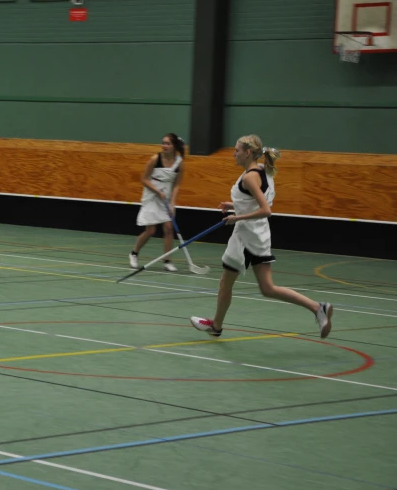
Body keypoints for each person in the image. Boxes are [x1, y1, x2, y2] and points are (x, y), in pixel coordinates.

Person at [190, 134, 332, 338]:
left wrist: (237, 218)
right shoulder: (263, 171)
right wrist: (234, 206)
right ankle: (318, 308)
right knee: (267, 288)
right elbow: (258, 201)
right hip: (258, 235)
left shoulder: (249, 177)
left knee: (227, 282)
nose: (233, 154)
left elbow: (266, 209)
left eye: (237, 150)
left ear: (247, 153)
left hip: (246, 238)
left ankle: (217, 326)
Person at [129, 133, 185, 272]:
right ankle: (134, 253)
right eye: (163, 143)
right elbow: (144, 179)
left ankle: (167, 261)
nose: (164, 146)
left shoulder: (180, 163)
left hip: (166, 196)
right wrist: (157, 192)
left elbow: (177, 185)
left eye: (167, 143)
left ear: (174, 146)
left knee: (168, 228)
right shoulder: (155, 159)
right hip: (152, 195)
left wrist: (172, 204)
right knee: (151, 230)